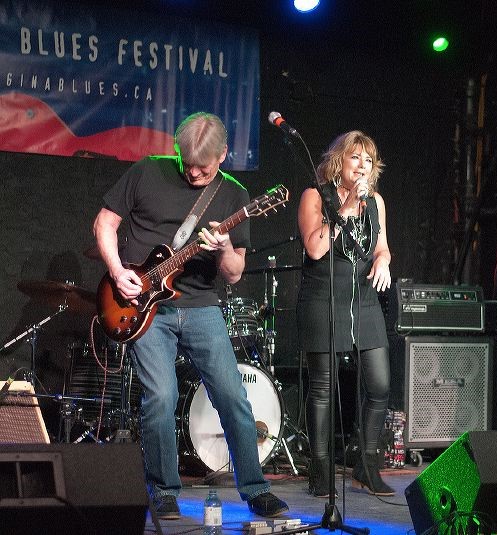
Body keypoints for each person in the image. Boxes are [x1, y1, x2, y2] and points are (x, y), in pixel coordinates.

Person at [93, 112, 289, 519]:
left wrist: (223, 247)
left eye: (204, 167)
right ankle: (164, 491)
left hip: (201, 306)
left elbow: (234, 273)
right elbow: (104, 223)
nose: (194, 173)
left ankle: (255, 489)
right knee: (161, 396)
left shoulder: (233, 194)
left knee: (232, 395)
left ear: (223, 155)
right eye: (187, 163)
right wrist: (117, 271)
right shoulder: (148, 171)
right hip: (143, 307)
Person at [296, 130, 394, 497]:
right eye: (356, 157)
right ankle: (320, 469)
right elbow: (315, 248)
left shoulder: (376, 202)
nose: (363, 166)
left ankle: (366, 466)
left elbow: (382, 247)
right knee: (323, 388)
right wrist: (348, 206)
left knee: (380, 386)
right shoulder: (315, 195)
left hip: (364, 301)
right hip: (323, 298)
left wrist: (383, 261)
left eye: (369, 160)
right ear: (340, 161)